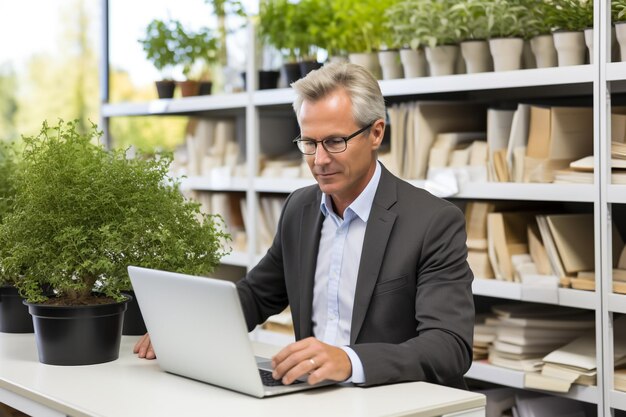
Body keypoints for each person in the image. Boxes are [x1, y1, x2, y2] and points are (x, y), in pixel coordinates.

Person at [135, 62, 474, 389]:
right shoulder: (301, 208)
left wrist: (350, 361)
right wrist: (185, 328)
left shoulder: (432, 222)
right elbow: (256, 294)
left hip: (390, 402)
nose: (320, 160)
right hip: (312, 397)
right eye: (309, 143)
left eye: (335, 142)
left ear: (376, 133)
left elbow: (449, 347)